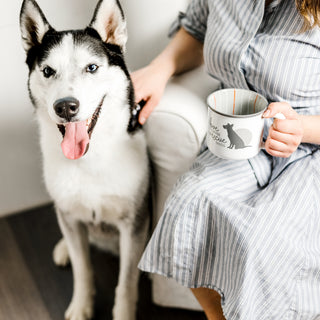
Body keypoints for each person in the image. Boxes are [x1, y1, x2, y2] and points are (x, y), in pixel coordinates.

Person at [132, 0, 320, 319]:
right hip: (244, 138)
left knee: (261, 243)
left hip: (311, 147)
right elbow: (197, 29)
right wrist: (159, 69)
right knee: (189, 204)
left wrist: (300, 128)